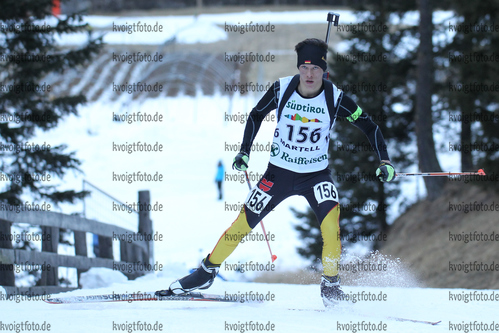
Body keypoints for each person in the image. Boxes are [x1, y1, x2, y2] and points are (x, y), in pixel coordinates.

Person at [156, 38, 395, 307]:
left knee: (331, 228)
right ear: (298, 68)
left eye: (315, 68)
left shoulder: (334, 97)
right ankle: (206, 272)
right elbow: (256, 115)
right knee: (241, 225)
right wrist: (244, 151)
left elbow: (370, 127)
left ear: (324, 70)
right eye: (304, 67)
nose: (309, 74)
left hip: (315, 176)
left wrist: (384, 161)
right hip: (277, 174)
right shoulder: (282, 89)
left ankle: (330, 285)